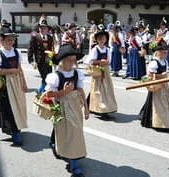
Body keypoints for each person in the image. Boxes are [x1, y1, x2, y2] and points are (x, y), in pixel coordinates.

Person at [45, 44, 88, 177]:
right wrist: (65, 91)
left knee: (75, 131)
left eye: (73, 60)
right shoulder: (56, 76)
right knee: (68, 132)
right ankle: (73, 162)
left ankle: (67, 153)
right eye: (69, 60)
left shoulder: (77, 74)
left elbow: (80, 90)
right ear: (62, 61)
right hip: (62, 106)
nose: (72, 63)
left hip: (75, 107)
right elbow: (48, 94)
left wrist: (86, 108)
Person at [0, 24, 28, 146]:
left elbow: (20, 69)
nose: (11, 42)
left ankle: (17, 127)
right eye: (8, 40)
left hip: (16, 82)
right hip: (5, 85)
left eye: (12, 40)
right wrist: (11, 71)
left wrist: (24, 83)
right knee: (8, 108)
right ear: (1, 40)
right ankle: (14, 131)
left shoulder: (17, 52)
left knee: (18, 105)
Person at [139, 39, 169, 133]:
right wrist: (160, 76)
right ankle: (158, 123)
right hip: (156, 86)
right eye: (163, 53)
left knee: (165, 105)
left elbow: (165, 75)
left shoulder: (165, 62)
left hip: (163, 84)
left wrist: (167, 86)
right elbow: (149, 75)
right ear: (158, 53)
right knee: (157, 105)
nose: (165, 55)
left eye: (166, 53)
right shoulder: (154, 63)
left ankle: (165, 122)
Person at [87, 25, 117, 118]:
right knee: (98, 90)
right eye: (99, 38)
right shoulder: (95, 49)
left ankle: (107, 108)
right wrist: (100, 62)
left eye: (103, 38)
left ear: (106, 39)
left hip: (106, 71)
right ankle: (100, 109)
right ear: (97, 39)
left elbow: (109, 61)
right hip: (97, 71)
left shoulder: (108, 50)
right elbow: (90, 61)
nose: (101, 39)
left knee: (107, 90)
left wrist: (106, 62)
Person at [28, 19, 54, 93]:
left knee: (49, 76)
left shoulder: (50, 37)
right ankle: (42, 92)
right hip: (40, 60)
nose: (43, 29)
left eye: (44, 27)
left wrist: (52, 57)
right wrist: (31, 61)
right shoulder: (35, 37)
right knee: (44, 76)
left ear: (47, 29)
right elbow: (30, 49)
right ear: (39, 28)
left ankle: (41, 90)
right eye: (41, 27)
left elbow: (51, 48)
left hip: (49, 60)